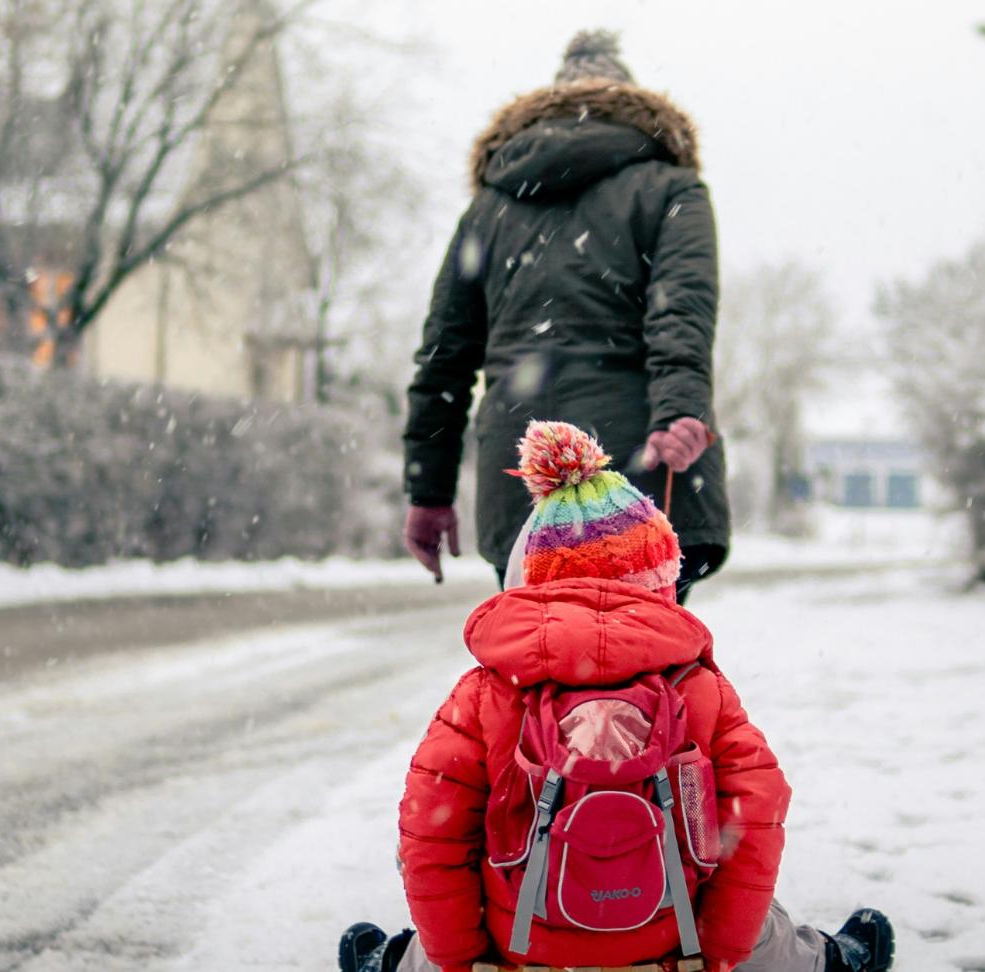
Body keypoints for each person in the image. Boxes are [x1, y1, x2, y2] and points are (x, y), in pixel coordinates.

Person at [340, 422, 892, 972]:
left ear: (530, 579)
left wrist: (459, 961)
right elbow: (756, 815)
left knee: (444, 868)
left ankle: (399, 961)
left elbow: (429, 834)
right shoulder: (699, 690)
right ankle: (831, 962)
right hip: (673, 948)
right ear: (660, 583)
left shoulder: (485, 693)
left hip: (520, 949)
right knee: (761, 918)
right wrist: (721, 954)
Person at [402, 29, 730, 603]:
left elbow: (444, 358)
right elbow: (682, 313)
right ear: (632, 105)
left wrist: (428, 491)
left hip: (523, 472)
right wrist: (680, 410)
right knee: (645, 667)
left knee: (535, 664)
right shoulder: (671, 189)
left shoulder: (490, 208)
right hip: (637, 470)